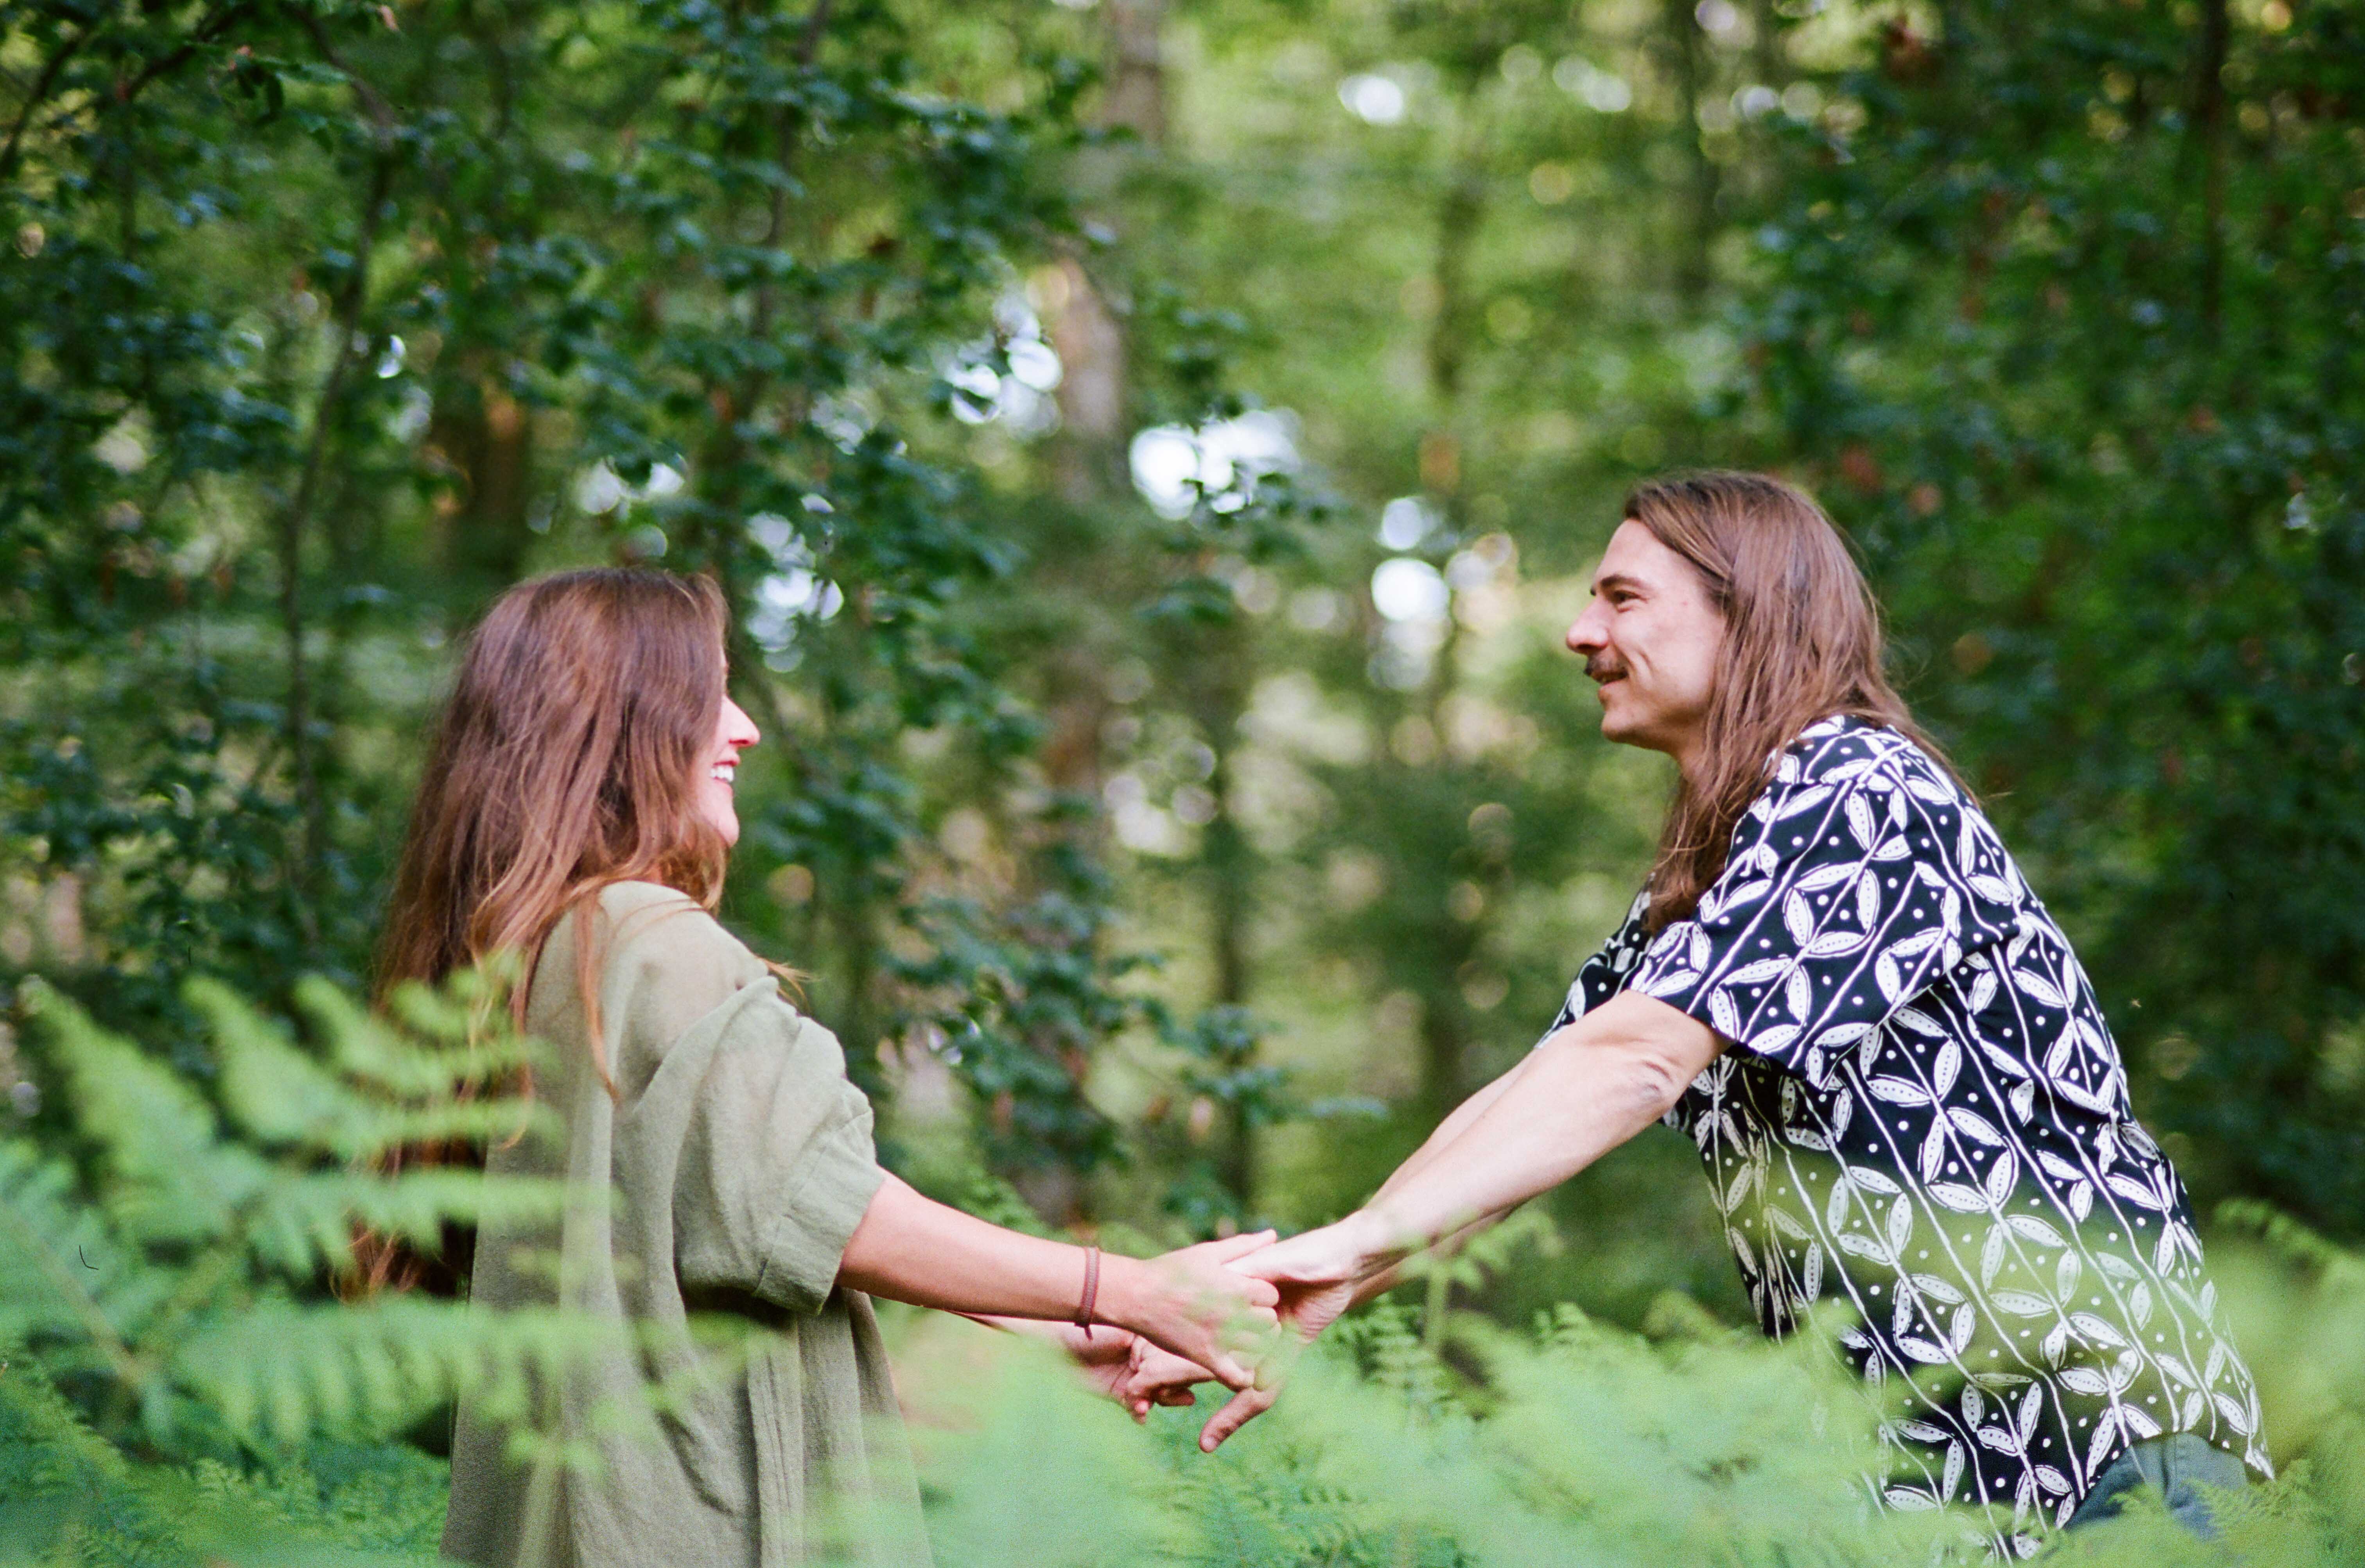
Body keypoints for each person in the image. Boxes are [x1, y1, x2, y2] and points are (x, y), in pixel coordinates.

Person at [1190, 473, 2269, 1550]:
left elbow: (1638, 1061)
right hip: (1949, 1510)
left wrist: (1352, 1243)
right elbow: (1539, 1093)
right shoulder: (1712, 876)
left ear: (1746, 610)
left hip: (2109, 1466)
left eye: (1621, 598)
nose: (1579, 631)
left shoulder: (1862, 789)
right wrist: (1320, 1282)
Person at [377, 568, 1276, 1568]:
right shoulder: (652, 943)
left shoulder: (541, 961)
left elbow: (741, 1311)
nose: (745, 726)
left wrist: (1037, 1353)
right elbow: (837, 1216)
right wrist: (1130, 1289)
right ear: (617, 719)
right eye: (709, 692)